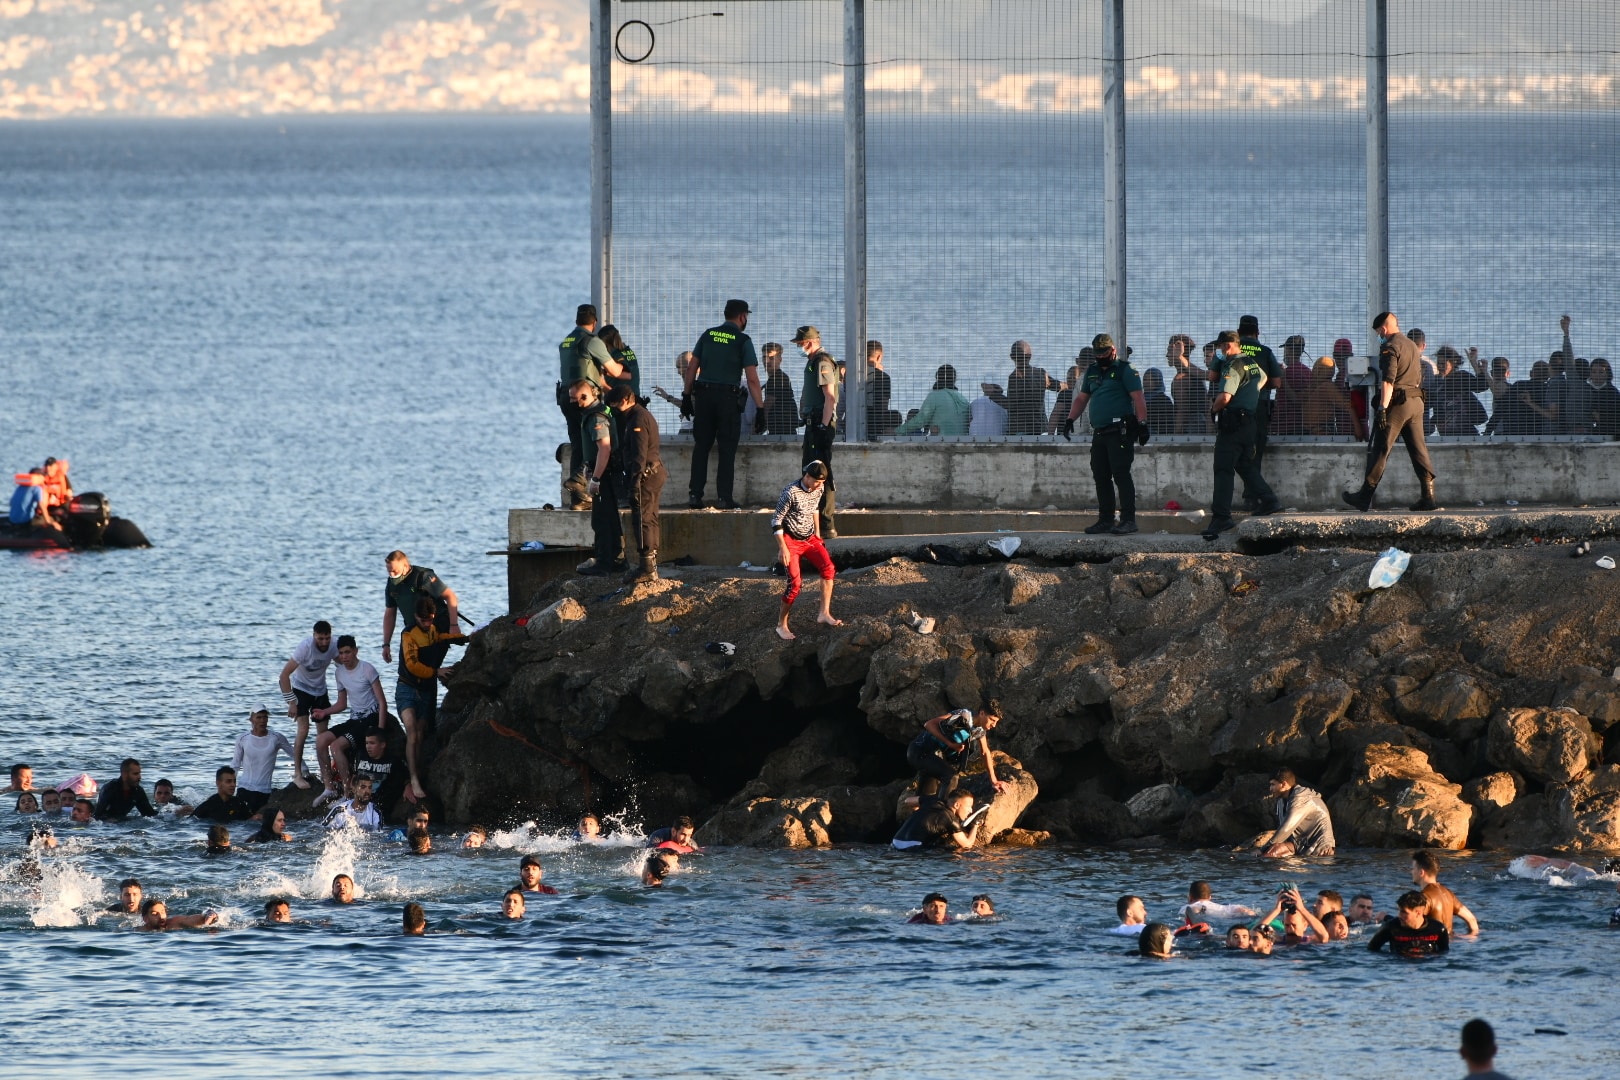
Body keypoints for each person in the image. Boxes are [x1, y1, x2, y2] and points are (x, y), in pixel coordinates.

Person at [1344, 311, 1439, 512]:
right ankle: (1428, 496)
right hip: (1417, 402)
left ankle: (1364, 496)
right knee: (1418, 449)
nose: (1379, 335)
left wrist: (1382, 408)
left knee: (1380, 448)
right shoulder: (1412, 345)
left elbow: (1388, 380)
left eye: (1378, 332)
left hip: (1398, 403)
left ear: (1383, 329)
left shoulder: (1389, 346)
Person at [1065, 332, 1148, 535]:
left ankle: (1129, 520)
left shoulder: (1125, 370)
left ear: (1113, 350)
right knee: (1100, 475)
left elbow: (1138, 398)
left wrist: (1143, 423)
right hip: (1100, 433)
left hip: (1120, 431)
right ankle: (1106, 520)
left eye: (1104, 352)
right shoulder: (1092, 371)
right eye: (1098, 353)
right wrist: (1069, 420)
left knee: (1121, 474)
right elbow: (1082, 399)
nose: (1101, 356)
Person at [686, 299, 764, 509]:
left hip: (703, 397)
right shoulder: (742, 340)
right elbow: (753, 379)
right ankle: (724, 498)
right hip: (728, 400)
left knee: (701, 446)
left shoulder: (708, 334)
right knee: (727, 449)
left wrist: (686, 395)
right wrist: (760, 408)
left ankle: (695, 495)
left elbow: (692, 367)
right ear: (742, 317)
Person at [1204, 330, 1279, 537]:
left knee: (1223, 469)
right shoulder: (1251, 363)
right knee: (1244, 465)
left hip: (1233, 423)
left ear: (1228, 346)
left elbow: (1225, 397)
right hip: (1249, 423)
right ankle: (1268, 499)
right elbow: (1263, 380)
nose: (1219, 351)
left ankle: (1221, 517)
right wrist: (1248, 395)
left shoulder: (1233, 366)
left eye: (1220, 347)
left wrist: (1213, 409)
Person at [397, 596, 467, 801]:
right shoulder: (409, 634)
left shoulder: (433, 629)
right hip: (406, 689)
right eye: (423, 620)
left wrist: (465, 638)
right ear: (416, 617)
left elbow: (440, 638)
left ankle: (416, 774)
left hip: (427, 692)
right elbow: (412, 665)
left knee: (420, 733)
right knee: (411, 730)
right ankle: (413, 779)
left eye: (430, 620)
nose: (427, 624)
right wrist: (437, 671)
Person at [558, 303, 625, 509]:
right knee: (596, 442)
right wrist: (623, 364)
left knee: (578, 443)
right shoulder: (592, 341)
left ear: (576, 321)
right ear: (594, 323)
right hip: (585, 399)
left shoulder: (567, 340)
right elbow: (614, 371)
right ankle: (579, 481)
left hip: (566, 396)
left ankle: (578, 499)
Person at [770, 460, 842, 642]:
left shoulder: (818, 488)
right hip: (790, 540)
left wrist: (817, 534)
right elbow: (776, 521)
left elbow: (814, 509)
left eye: (822, 482)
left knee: (828, 569)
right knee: (794, 585)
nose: (820, 485)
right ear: (807, 476)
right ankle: (781, 624)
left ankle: (824, 613)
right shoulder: (790, 492)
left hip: (809, 537)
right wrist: (782, 548)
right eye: (817, 481)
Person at [312, 636, 388, 804]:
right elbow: (342, 704)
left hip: (370, 718)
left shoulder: (367, 669)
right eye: (341, 653)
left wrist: (381, 731)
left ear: (355, 651)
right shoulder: (339, 672)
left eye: (347, 652)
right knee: (320, 740)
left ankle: (347, 793)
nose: (344, 656)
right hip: (355, 718)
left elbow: (382, 702)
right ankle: (329, 788)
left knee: (336, 746)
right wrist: (324, 712)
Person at [607, 383, 664, 582]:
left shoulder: (638, 418)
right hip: (652, 473)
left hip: (646, 475)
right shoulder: (637, 415)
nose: (613, 410)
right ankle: (650, 564)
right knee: (649, 517)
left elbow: (640, 454)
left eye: (614, 405)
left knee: (643, 519)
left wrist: (635, 481)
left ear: (624, 401)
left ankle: (647, 568)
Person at [790, 326, 840, 537]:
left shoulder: (822, 362)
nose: (799, 348)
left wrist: (823, 424)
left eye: (800, 344)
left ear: (809, 342)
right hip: (813, 424)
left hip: (821, 424)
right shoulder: (812, 363)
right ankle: (810, 523)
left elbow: (830, 397)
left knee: (821, 473)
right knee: (810, 471)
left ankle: (827, 524)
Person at [278, 620, 338, 791]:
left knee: (323, 735)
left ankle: (325, 774)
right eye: (320, 639)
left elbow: (343, 663)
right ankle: (297, 773)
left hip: (320, 690)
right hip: (301, 689)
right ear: (314, 636)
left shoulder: (334, 645)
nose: (324, 642)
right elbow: (284, 676)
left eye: (327, 638)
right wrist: (291, 702)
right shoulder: (305, 647)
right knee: (303, 730)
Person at [905, 706, 1005, 802]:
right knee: (951, 777)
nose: (994, 725)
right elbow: (929, 724)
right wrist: (951, 744)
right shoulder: (963, 715)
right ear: (982, 713)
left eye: (996, 722)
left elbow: (985, 752)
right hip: (919, 751)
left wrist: (994, 781)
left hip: (934, 758)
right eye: (992, 720)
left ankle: (919, 813)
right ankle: (943, 813)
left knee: (925, 797)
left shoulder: (980, 730)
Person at [1236, 315, 1283, 503]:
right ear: (1258, 332)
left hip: (1236, 407)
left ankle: (1250, 494)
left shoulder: (1232, 350)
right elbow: (1277, 383)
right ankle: (1253, 497)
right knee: (1256, 450)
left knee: (1237, 450)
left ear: (1238, 333)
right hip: (1260, 407)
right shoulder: (1265, 351)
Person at [1259, 767, 1335, 857]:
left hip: (1320, 847)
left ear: (1284, 784)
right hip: (1299, 844)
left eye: (1273, 785)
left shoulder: (1300, 797)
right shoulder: (1281, 800)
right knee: (1271, 853)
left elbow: (1287, 827)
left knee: (1266, 853)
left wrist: (1263, 848)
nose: (1270, 788)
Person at [230, 708, 295, 813]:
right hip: (244, 789)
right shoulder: (242, 738)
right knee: (241, 821)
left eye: (265, 717)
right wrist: (230, 787)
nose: (262, 720)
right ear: (251, 719)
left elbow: (295, 755)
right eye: (259, 717)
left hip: (264, 791)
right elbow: (235, 764)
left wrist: (304, 772)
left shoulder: (276, 737)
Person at [1411, 850, 1480, 935]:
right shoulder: (1448, 893)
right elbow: (1472, 919)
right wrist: (1467, 938)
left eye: (1413, 868)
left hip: (1432, 945)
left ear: (1421, 872)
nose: (1411, 872)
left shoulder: (1424, 897)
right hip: (1450, 944)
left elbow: (1411, 923)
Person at [891, 788, 978, 851]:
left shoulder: (933, 800)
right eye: (969, 807)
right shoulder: (951, 820)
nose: (971, 810)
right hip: (911, 848)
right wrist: (975, 825)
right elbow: (967, 845)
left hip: (895, 842)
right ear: (956, 805)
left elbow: (908, 801)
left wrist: (920, 812)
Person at [1367, 891, 1449, 957]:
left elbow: (1444, 954)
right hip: (1398, 966)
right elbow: (1371, 950)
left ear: (1418, 913)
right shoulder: (1390, 928)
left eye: (1403, 912)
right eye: (1399, 911)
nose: (1399, 915)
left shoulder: (1438, 929)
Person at [895, 365, 971, 436]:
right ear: (954, 379)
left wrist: (898, 431)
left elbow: (920, 420)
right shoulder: (963, 399)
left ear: (937, 378)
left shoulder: (934, 396)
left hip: (942, 441)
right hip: (962, 440)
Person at [1006, 340, 1062, 435]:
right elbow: (1058, 386)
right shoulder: (1041, 374)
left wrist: (993, 394)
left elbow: (1010, 405)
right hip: (1040, 428)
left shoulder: (1014, 377)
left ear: (1012, 357)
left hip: (1021, 429)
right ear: (1030, 356)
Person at [1431, 347, 1491, 435]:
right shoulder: (1437, 382)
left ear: (1454, 362)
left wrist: (1474, 364)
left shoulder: (1461, 377)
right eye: (1438, 363)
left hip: (1466, 432)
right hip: (1446, 434)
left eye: (1443, 364)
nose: (1440, 366)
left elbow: (1481, 386)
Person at [351, 728, 407, 813]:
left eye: (372, 743)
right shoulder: (361, 756)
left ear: (382, 745)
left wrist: (408, 785)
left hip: (380, 804)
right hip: (358, 799)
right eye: (367, 743)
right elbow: (354, 776)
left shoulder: (393, 761)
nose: (368, 747)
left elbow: (404, 777)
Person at [1257, 885, 1330, 944]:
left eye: (1294, 925)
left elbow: (1324, 937)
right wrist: (1276, 910)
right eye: (1287, 925)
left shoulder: (1310, 940)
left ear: (1305, 925)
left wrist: (1302, 909)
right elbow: (1255, 932)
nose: (1290, 930)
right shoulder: (1278, 940)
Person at [183, 766, 257, 822]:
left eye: (234, 781)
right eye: (229, 781)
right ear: (218, 783)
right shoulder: (208, 806)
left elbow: (250, 820)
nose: (233, 785)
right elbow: (190, 822)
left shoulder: (239, 803)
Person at [756, 342, 798, 436]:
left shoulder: (778, 379)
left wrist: (754, 433)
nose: (767, 361)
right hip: (781, 431)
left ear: (780, 359)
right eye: (764, 357)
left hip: (782, 433)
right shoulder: (775, 378)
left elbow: (766, 409)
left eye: (771, 358)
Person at [597, 323, 641, 403]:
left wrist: (603, 372)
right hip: (634, 397)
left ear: (607, 343)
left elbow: (627, 375)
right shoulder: (628, 351)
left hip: (623, 401)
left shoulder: (616, 354)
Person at [1180, 881, 1255, 923]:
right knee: (1242, 910)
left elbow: (1186, 914)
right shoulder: (1220, 907)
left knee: (1193, 909)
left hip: (1201, 912)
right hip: (1224, 912)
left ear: (1190, 897)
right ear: (1210, 897)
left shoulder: (1189, 907)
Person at [138, 898, 217, 931]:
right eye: (155, 914)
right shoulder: (139, 931)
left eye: (162, 912)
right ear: (145, 919)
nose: (161, 916)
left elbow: (200, 917)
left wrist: (210, 914)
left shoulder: (175, 922)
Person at [1141, 368, 1176, 434]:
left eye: (1151, 379)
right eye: (1145, 379)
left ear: (1157, 381)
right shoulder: (1139, 399)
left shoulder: (1164, 401)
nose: (1146, 382)